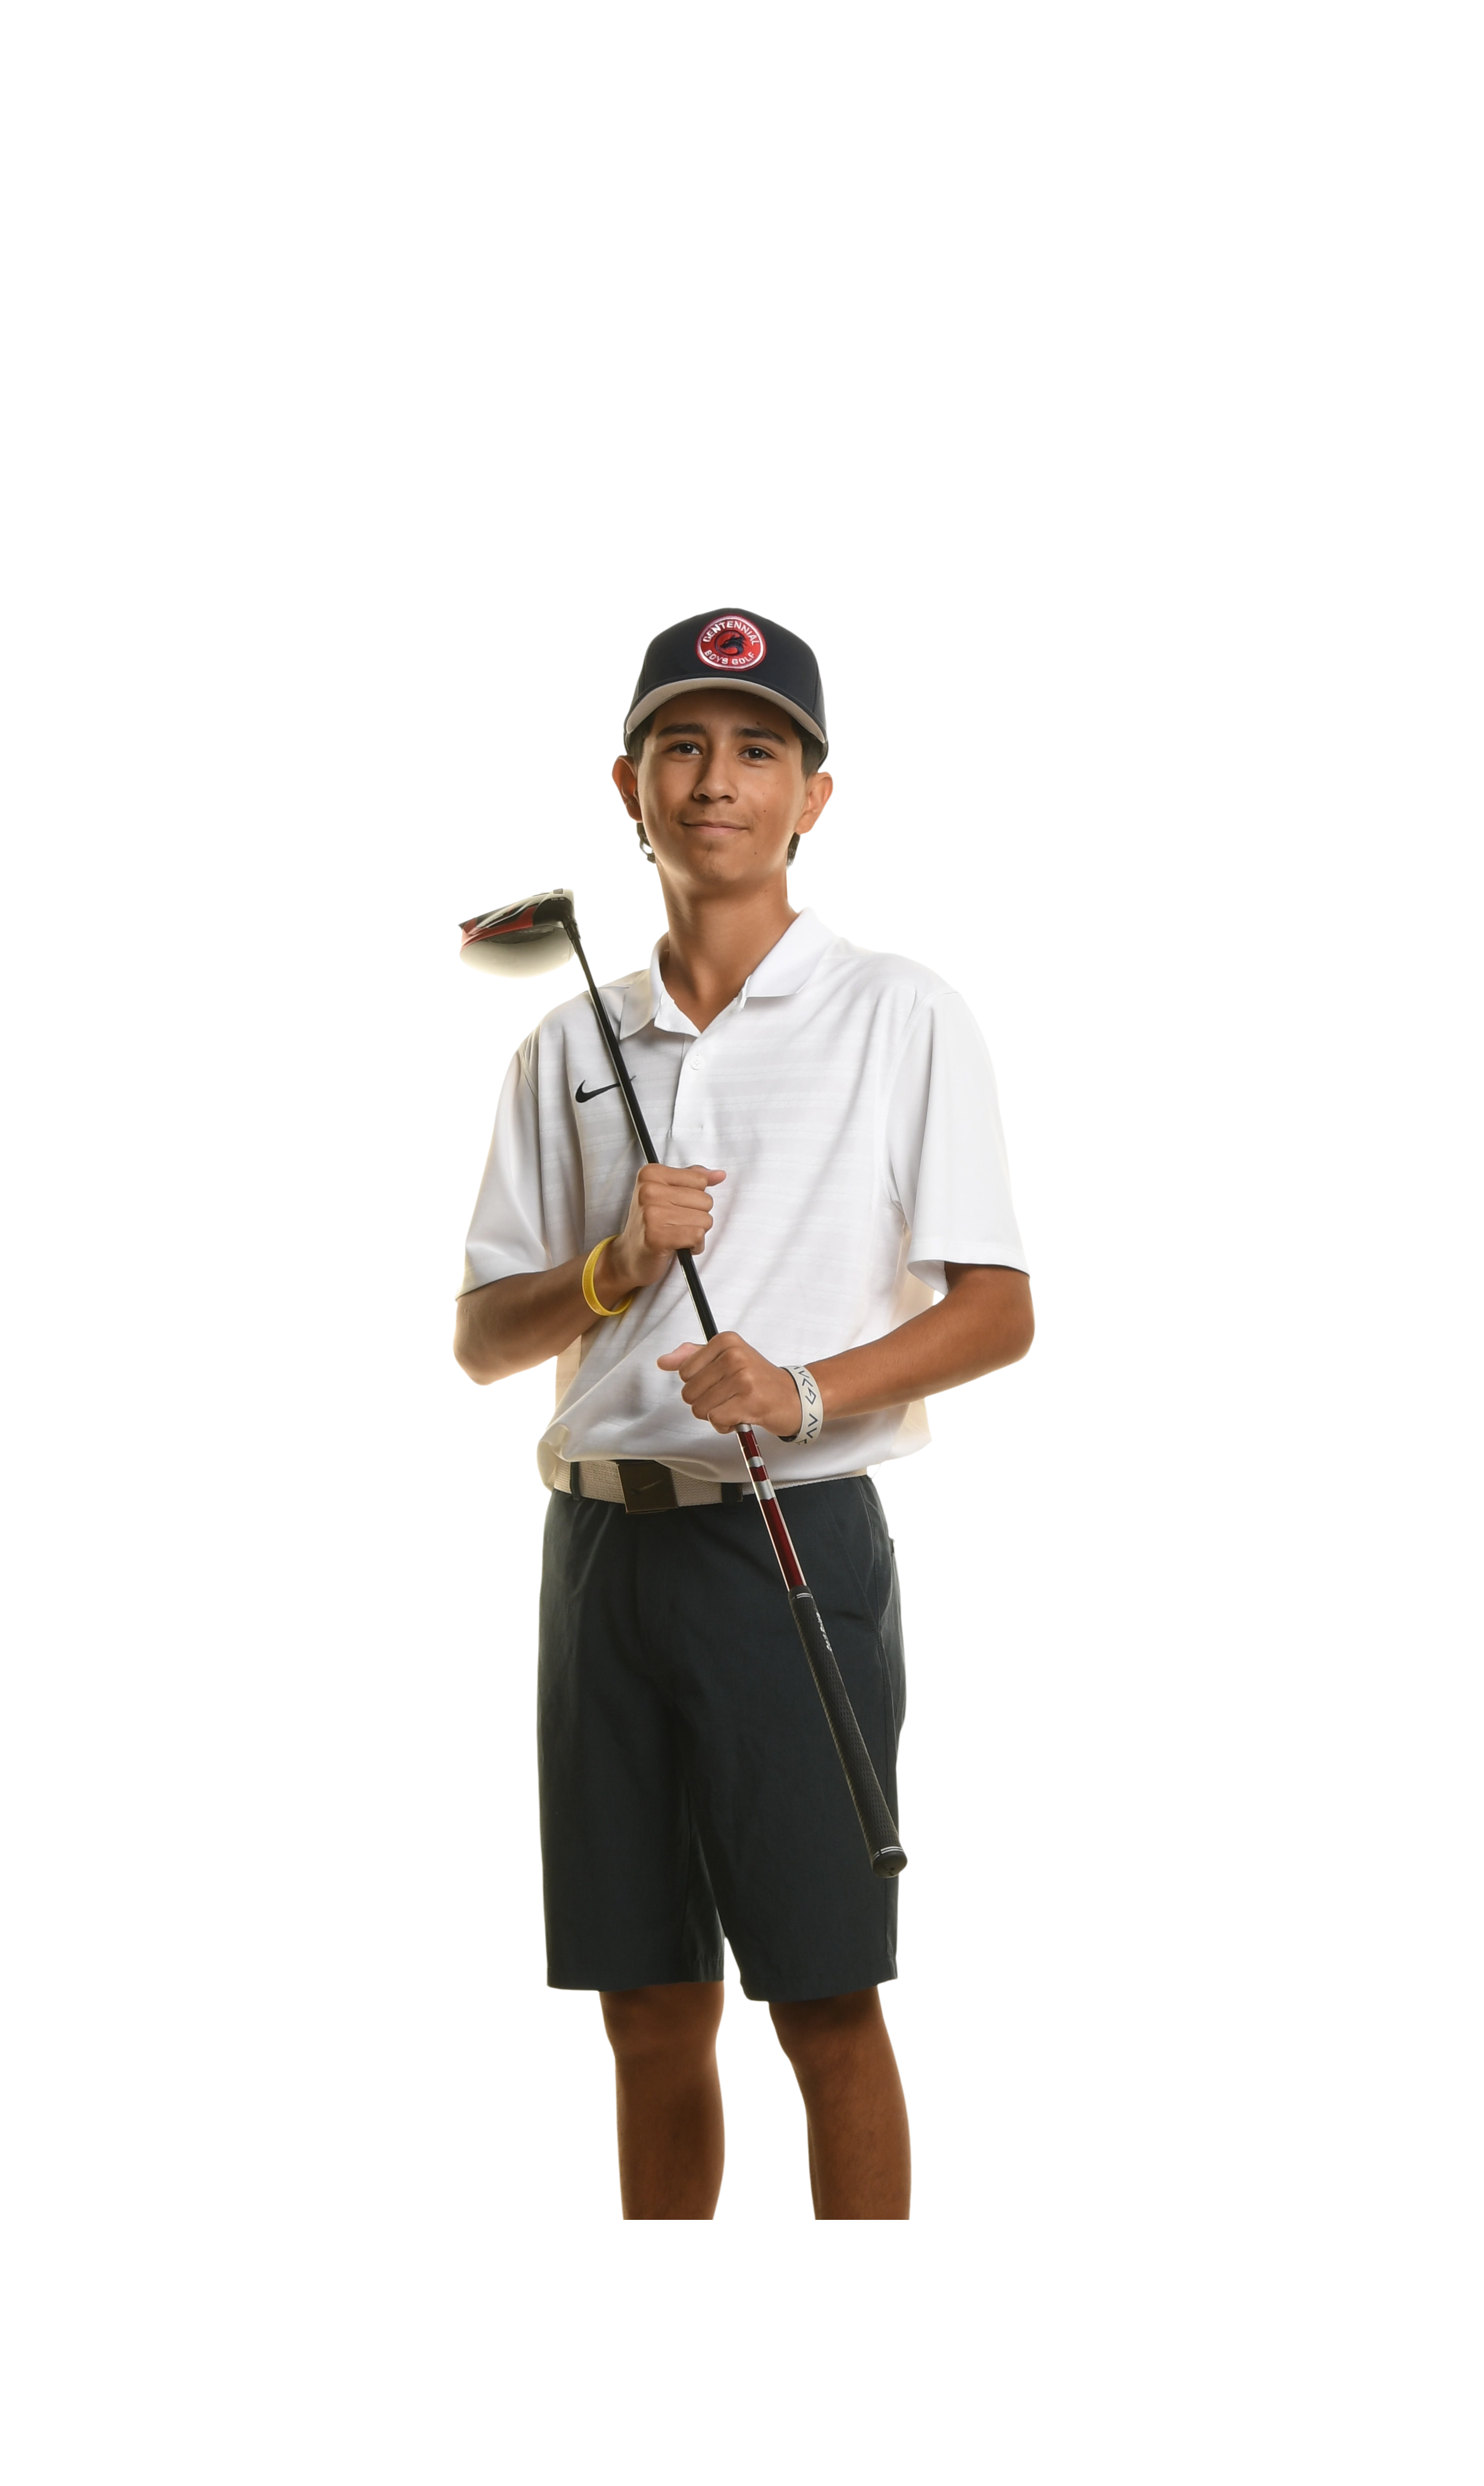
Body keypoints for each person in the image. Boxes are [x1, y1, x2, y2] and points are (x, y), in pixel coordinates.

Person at [453, 608, 1032, 2220]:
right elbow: (482, 1338)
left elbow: (1000, 1307)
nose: (718, 781)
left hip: (789, 1546)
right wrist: (611, 1268)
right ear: (628, 783)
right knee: (647, 2011)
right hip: (597, 1561)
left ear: (816, 795)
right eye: (683, 747)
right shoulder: (566, 1041)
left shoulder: (900, 1013)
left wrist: (806, 1389)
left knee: (824, 2002)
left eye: (760, 750)